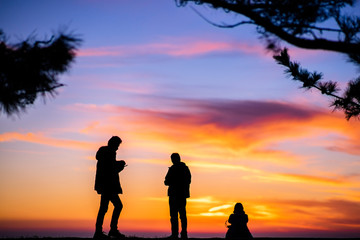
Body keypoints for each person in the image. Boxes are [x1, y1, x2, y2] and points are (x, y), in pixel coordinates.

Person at [93, 136, 126, 239]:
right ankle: (111, 230)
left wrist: (118, 165)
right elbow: (110, 170)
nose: (117, 148)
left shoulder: (104, 152)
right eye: (117, 145)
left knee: (104, 208)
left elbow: (109, 167)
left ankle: (100, 231)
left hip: (105, 185)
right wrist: (120, 165)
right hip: (108, 186)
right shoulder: (109, 153)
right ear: (113, 144)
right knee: (117, 206)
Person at [164, 153, 191, 239]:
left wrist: (173, 182)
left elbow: (166, 181)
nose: (173, 160)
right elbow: (166, 181)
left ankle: (180, 234)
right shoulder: (182, 168)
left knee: (179, 215)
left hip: (178, 195)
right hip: (178, 195)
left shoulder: (179, 169)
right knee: (178, 215)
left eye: (173, 158)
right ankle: (178, 234)